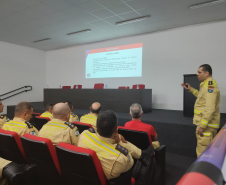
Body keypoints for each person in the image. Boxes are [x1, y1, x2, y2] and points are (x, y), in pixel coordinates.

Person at [78, 110, 154, 180]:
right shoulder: (119, 158)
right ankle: (144, 153)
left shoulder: (84, 134)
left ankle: (144, 153)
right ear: (116, 130)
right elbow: (131, 163)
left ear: (96, 126)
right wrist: (119, 142)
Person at [181, 64, 220, 157]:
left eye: (199, 72)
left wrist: (202, 126)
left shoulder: (209, 86)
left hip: (207, 126)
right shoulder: (206, 84)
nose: (197, 74)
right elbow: (201, 97)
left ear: (207, 73)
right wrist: (191, 89)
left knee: (203, 153)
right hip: (208, 125)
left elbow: (210, 108)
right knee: (208, 151)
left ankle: (202, 171)